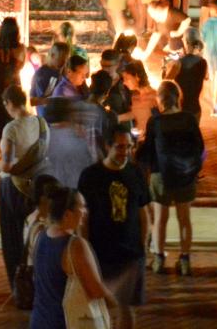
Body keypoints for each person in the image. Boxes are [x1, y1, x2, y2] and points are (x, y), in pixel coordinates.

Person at [78, 127, 151, 328]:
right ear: (107, 146)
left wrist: (144, 245)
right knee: (101, 307)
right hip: (101, 253)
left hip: (130, 254)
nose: (125, 152)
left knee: (126, 308)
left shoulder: (135, 172)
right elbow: (84, 217)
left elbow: (143, 212)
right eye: (120, 147)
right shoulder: (91, 176)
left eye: (129, 147)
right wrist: (85, 249)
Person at [140, 80, 202, 276]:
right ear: (178, 98)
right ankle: (184, 259)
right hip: (185, 174)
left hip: (161, 174)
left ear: (160, 99)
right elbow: (199, 147)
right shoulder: (189, 119)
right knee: (185, 218)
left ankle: (159, 258)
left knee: (160, 219)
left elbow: (148, 150)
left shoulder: (156, 122)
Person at [30, 185, 111, 329]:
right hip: (64, 323)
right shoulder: (75, 246)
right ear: (67, 214)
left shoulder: (39, 235)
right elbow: (95, 291)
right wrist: (116, 293)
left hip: (39, 320)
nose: (85, 212)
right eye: (82, 207)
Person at [0, 84, 50, 291]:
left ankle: (18, 285)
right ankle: (36, 280)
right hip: (36, 184)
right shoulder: (41, 122)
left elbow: (8, 165)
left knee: (13, 237)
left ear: (9, 103)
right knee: (33, 233)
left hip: (14, 185)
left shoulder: (12, 128)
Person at [164, 29, 208, 120]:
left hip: (181, 108)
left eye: (183, 38)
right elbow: (205, 77)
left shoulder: (178, 63)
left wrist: (164, 67)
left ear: (186, 41)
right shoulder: (203, 62)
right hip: (196, 108)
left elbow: (166, 81)